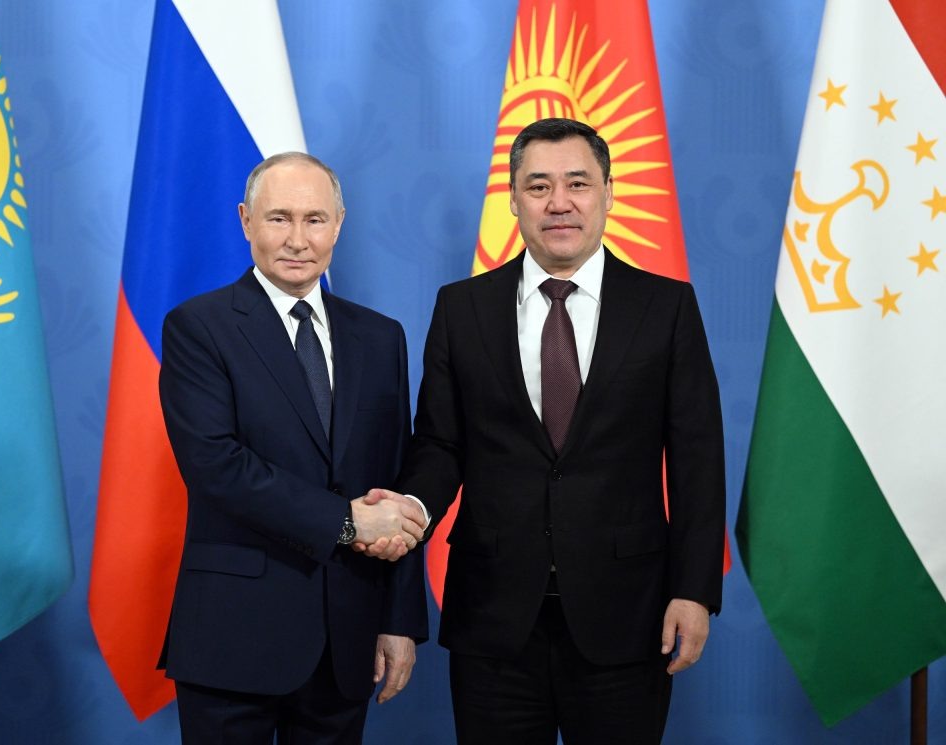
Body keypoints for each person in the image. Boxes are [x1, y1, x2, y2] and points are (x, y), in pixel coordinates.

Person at [365, 118, 725, 743]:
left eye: (577, 183)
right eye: (538, 186)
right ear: (513, 199)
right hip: (493, 618)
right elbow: (441, 443)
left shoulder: (666, 306)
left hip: (627, 615)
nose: (559, 202)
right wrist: (412, 509)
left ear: (608, 193)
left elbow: (698, 459)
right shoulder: (462, 307)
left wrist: (694, 591)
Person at [158, 152, 428, 745]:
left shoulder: (380, 337)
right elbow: (215, 466)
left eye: (315, 219)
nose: (298, 240)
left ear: (339, 224)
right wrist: (345, 522)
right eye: (279, 218)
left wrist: (400, 620)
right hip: (233, 637)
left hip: (347, 638)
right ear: (245, 221)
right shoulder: (198, 327)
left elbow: (397, 480)